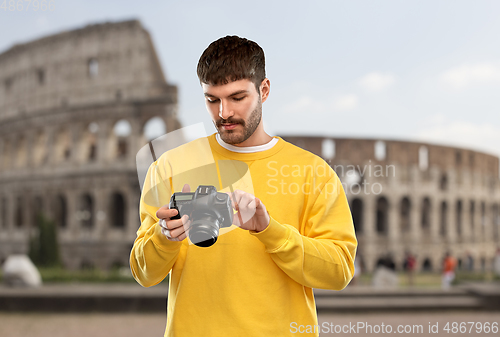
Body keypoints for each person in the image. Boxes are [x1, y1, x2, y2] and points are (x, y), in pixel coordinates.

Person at [130, 35, 357, 337]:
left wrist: (269, 230)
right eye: (212, 99)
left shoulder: (313, 172)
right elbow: (143, 273)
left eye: (237, 98)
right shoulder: (170, 166)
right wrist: (164, 237)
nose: (224, 113)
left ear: (264, 90)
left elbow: (339, 271)